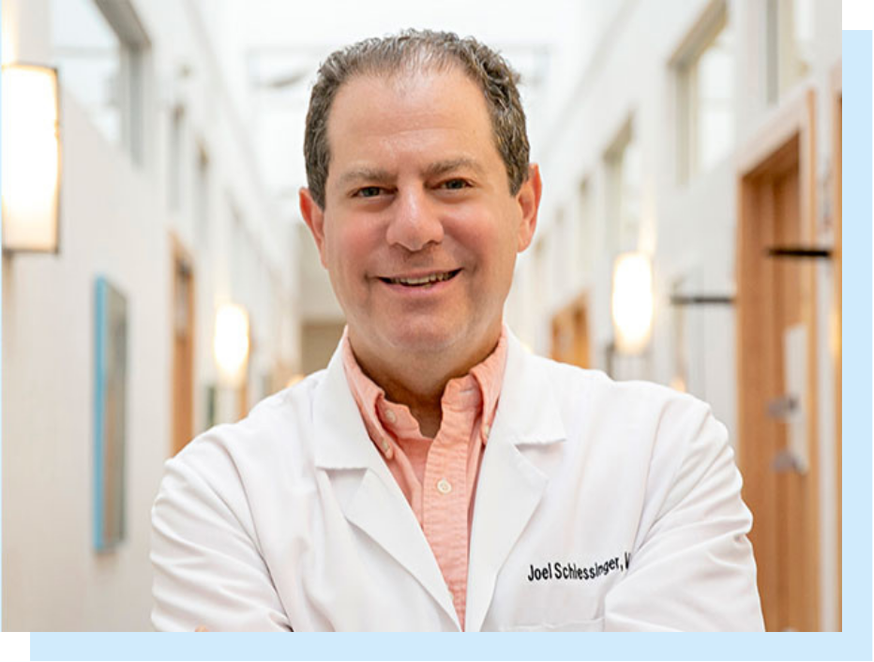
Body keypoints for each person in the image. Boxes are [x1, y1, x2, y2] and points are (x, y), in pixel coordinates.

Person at [151, 29, 764, 632]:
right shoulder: (220, 494)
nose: (414, 228)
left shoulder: (668, 455)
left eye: (452, 184)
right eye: (372, 190)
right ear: (318, 228)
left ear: (524, 210)